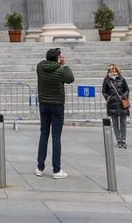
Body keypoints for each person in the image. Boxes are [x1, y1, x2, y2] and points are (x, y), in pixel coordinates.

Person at [35, 47, 74, 179]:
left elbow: (46, 65)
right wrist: (64, 64)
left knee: (43, 135)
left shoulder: (40, 67)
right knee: (56, 137)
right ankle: (56, 170)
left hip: (44, 105)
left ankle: (40, 167)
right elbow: (70, 79)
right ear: (57, 58)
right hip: (57, 105)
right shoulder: (60, 70)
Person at [103, 63, 130, 148]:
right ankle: (118, 140)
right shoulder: (107, 80)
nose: (112, 70)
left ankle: (123, 140)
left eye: (114, 68)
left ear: (117, 69)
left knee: (123, 123)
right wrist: (107, 97)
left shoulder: (122, 78)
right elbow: (104, 91)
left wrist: (124, 96)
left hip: (122, 103)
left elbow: (127, 90)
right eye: (111, 69)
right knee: (115, 123)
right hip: (112, 104)